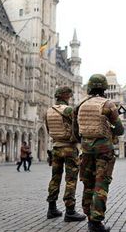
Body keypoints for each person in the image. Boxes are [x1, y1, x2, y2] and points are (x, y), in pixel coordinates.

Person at [76, 74, 124, 232]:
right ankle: (96, 222)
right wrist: (109, 128)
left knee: (88, 182)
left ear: (89, 87)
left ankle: (89, 215)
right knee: (101, 183)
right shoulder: (108, 104)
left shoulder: (80, 105)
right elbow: (119, 129)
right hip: (103, 150)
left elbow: (75, 131)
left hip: (86, 149)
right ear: (104, 88)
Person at [45, 86, 86, 222]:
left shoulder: (49, 111)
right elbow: (78, 126)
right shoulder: (68, 110)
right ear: (65, 96)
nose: (71, 96)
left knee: (55, 178)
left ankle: (52, 209)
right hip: (69, 148)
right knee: (71, 179)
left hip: (56, 147)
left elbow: (47, 129)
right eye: (70, 94)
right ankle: (70, 211)